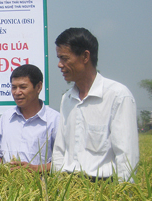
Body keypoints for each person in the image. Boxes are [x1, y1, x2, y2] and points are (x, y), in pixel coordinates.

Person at [52, 27, 139, 181]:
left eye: (64, 58)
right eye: (59, 58)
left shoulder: (117, 96)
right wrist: (57, 186)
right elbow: (60, 149)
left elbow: (126, 154)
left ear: (85, 56)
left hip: (103, 189)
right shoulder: (67, 98)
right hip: (70, 187)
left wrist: (124, 196)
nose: (60, 65)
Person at [0, 64, 59, 172]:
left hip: (41, 186)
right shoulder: (6, 118)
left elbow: (65, 161)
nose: (17, 92)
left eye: (23, 87)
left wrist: (35, 169)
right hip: (7, 185)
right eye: (14, 87)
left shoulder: (54, 120)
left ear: (38, 87)